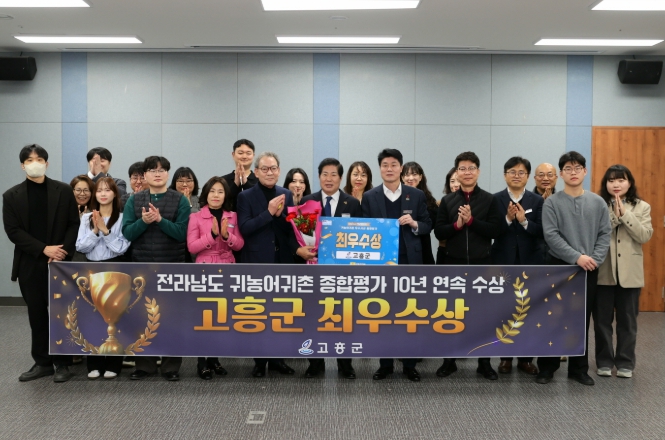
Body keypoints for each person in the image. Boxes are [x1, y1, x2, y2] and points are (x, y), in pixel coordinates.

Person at [3, 144, 80, 383]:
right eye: (29, 160)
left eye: (39, 159)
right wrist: (43, 249)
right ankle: (43, 362)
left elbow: (73, 224)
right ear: (22, 165)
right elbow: (13, 231)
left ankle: (63, 363)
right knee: (36, 314)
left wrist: (61, 252)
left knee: (63, 313)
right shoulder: (11, 195)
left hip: (60, 262)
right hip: (29, 263)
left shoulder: (63, 190)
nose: (34, 163)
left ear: (47, 163)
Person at [237, 152, 316, 378]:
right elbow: (245, 228)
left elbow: (290, 231)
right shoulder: (245, 196)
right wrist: (269, 212)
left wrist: (281, 218)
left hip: (282, 260)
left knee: (280, 312)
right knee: (259, 312)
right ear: (256, 172)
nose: (269, 172)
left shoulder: (286, 194)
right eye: (264, 169)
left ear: (279, 171)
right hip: (257, 261)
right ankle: (259, 362)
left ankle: (277, 359)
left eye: (273, 168)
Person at [536, 151, 611, 386]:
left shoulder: (598, 202)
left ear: (585, 171)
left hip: (588, 268)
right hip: (559, 267)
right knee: (553, 317)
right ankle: (547, 368)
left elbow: (604, 234)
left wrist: (594, 259)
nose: (573, 172)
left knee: (581, 319)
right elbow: (551, 236)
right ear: (561, 174)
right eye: (568, 168)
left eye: (577, 168)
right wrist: (577, 257)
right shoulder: (552, 203)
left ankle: (578, 369)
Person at [361, 149, 431, 382]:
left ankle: (410, 365)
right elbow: (363, 228)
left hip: (410, 262)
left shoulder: (416, 195)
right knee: (383, 314)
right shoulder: (370, 196)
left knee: (409, 313)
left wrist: (414, 223)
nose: (389, 169)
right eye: (385, 165)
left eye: (393, 165)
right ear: (380, 168)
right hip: (381, 265)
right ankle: (385, 364)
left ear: (401, 168)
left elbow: (427, 225)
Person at [434, 151, 501, 381]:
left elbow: (495, 230)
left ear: (478, 172)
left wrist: (471, 221)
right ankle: (449, 361)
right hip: (453, 265)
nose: (467, 172)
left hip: (482, 266)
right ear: (457, 172)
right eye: (462, 168)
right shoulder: (448, 201)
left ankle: (484, 363)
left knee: (484, 317)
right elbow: (439, 232)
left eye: (471, 168)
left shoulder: (490, 200)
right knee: (451, 315)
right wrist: (457, 225)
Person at [122, 156, 190, 381]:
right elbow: (127, 233)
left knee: (172, 319)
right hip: (142, 268)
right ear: (145, 175)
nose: (157, 174)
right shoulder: (134, 200)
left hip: (172, 266)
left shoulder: (179, 200)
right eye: (152, 170)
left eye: (162, 170)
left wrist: (160, 220)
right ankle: (145, 365)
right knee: (142, 318)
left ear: (168, 174)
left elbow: (181, 233)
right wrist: (144, 221)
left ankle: (171, 367)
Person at [301, 158, 362, 379]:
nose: (329, 179)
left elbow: (359, 235)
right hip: (314, 268)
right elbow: (298, 234)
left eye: (333, 174)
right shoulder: (307, 201)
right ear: (319, 177)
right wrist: (300, 250)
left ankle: (345, 364)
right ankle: (315, 363)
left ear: (340, 177)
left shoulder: (352, 203)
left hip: (343, 271)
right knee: (313, 315)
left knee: (344, 316)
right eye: (324, 174)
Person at [595, 165, 653, 379]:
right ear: (606, 184)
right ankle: (604, 362)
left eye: (621, 180)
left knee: (628, 322)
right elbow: (594, 234)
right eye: (611, 180)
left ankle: (625, 363)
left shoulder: (642, 206)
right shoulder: (598, 205)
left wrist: (625, 215)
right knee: (602, 322)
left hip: (630, 274)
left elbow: (644, 235)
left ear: (629, 183)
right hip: (603, 272)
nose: (616, 184)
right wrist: (614, 216)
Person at [187, 177, 244, 380]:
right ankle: (201, 362)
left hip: (227, 267)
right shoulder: (196, 217)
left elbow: (240, 244)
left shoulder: (232, 216)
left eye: (220, 191)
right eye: (212, 191)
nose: (216, 195)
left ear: (225, 195)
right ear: (206, 194)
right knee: (204, 318)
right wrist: (211, 235)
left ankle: (214, 359)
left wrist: (227, 237)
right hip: (205, 268)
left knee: (221, 317)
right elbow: (192, 247)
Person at [491, 157, 544, 376]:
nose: (516, 176)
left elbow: (542, 231)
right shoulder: (495, 199)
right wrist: (507, 218)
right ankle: (505, 358)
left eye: (521, 172)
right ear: (505, 175)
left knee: (528, 312)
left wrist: (523, 221)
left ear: (528, 176)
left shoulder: (537, 201)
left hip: (530, 262)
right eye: (512, 172)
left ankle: (525, 359)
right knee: (504, 311)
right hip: (502, 262)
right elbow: (492, 231)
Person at [75, 177, 130, 380]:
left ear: (115, 194)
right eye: (99, 191)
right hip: (92, 269)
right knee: (93, 317)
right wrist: (95, 230)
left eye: (107, 190)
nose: (103, 194)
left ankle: (114, 363)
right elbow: (80, 246)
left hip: (115, 268)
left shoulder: (123, 218)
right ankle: (94, 363)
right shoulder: (86, 218)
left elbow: (121, 248)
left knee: (115, 316)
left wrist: (106, 232)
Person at [401, 161, 438, 265]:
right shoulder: (396, 198)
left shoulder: (428, 199)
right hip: (401, 247)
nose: (411, 178)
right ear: (402, 178)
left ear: (420, 177)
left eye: (414, 174)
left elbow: (431, 223)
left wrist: (414, 222)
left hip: (422, 246)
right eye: (407, 175)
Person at [222, 139, 258, 210]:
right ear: (233, 154)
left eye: (248, 153)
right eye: (240, 153)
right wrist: (235, 184)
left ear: (253, 155)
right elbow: (222, 202)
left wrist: (246, 183)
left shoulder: (260, 181)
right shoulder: (223, 181)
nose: (244, 156)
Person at [436, 167, 460, 264]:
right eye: (452, 181)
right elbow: (439, 232)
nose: (456, 185)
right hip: (445, 251)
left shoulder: (473, 203)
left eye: (458, 181)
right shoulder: (441, 203)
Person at [70, 175, 95, 263]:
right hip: (71, 257)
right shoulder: (65, 211)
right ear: (72, 191)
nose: (82, 194)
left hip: (92, 258)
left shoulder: (96, 211)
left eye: (86, 190)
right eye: (78, 190)